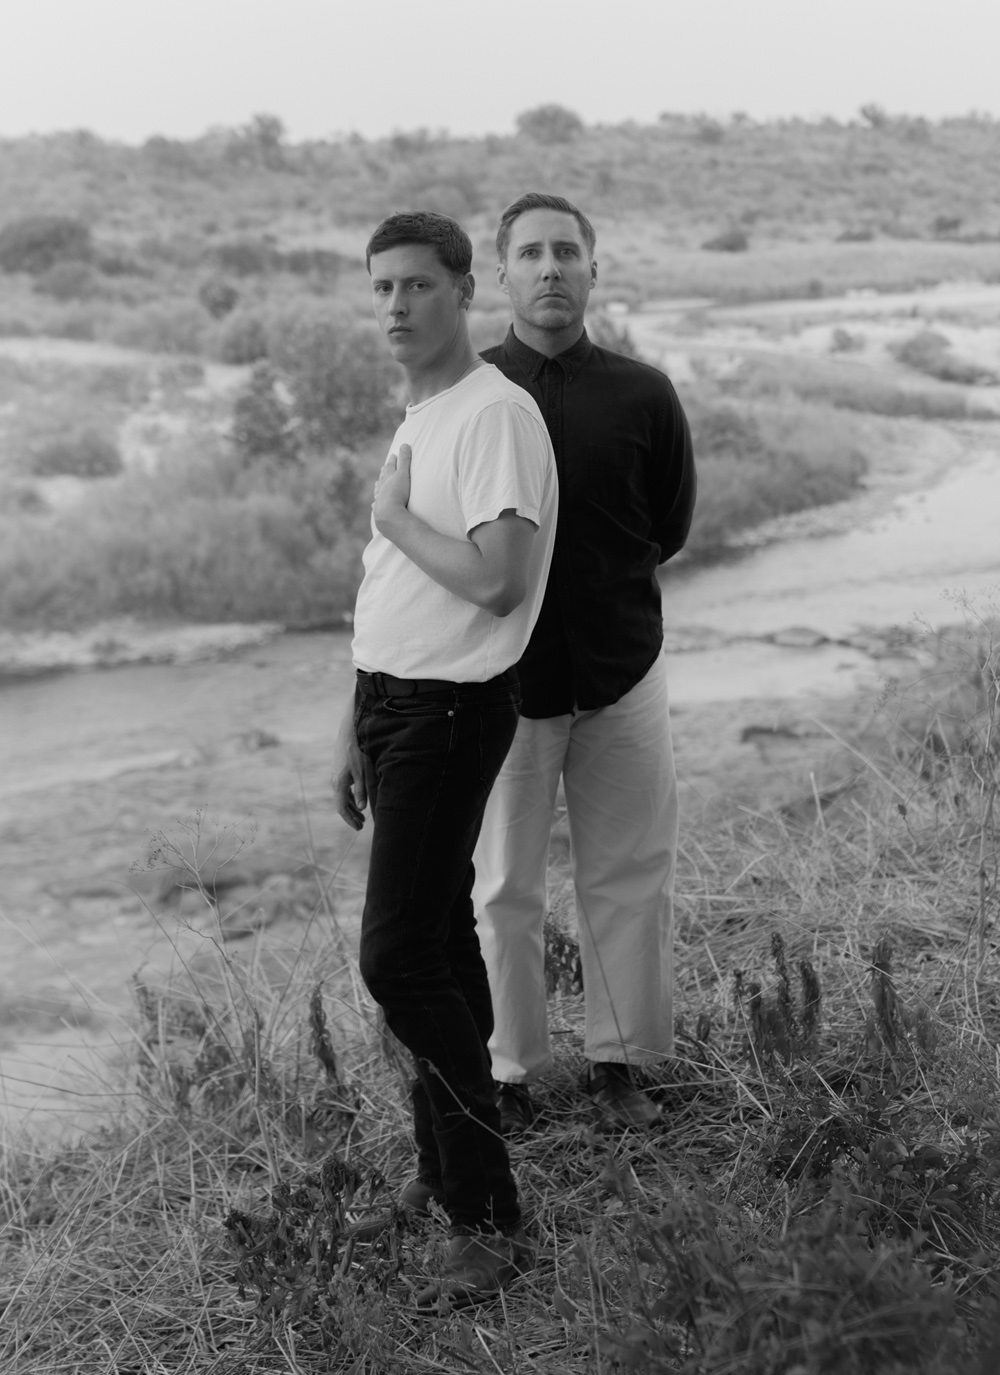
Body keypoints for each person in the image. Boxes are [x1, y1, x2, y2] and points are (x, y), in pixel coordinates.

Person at [331, 211, 558, 1306]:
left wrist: (389, 515)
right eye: (381, 287)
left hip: (450, 713)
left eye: (417, 284)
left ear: (465, 291)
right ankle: (442, 1170)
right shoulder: (426, 409)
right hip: (394, 706)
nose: (395, 305)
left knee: (396, 959)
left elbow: (499, 579)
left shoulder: (494, 414)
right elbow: (393, 585)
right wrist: (353, 719)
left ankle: (488, 1214)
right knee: (439, 946)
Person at [473, 192, 696, 1134]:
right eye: (531, 253)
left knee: (630, 873)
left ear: (593, 269)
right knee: (502, 887)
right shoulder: (467, 394)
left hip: (622, 673)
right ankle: (507, 1073)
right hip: (501, 686)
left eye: (567, 251)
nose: (551, 268)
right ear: (502, 274)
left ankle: (622, 1065)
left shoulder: (645, 394)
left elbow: (669, 527)